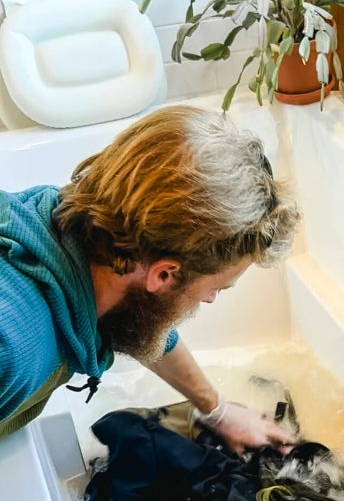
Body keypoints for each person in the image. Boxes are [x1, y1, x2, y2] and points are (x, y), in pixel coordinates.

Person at [0, 105, 300, 451]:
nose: (209, 299)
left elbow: (148, 322)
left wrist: (216, 411)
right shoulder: (14, 352)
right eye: (216, 288)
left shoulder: (65, 227)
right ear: (164, 274)